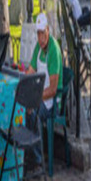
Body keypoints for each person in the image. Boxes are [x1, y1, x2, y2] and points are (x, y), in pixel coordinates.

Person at [26, 12, 63, 166]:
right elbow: (30, 71)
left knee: (33, 112)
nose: (41, 38)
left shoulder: (53, 49)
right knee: (23, 108)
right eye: (38, 33)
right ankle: (29, 151)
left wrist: (35, 98)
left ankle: (37, 158)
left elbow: (53, 89)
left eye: (43, 33)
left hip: (52, 101)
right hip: (40, 95)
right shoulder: (38, 48)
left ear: (48, 30)